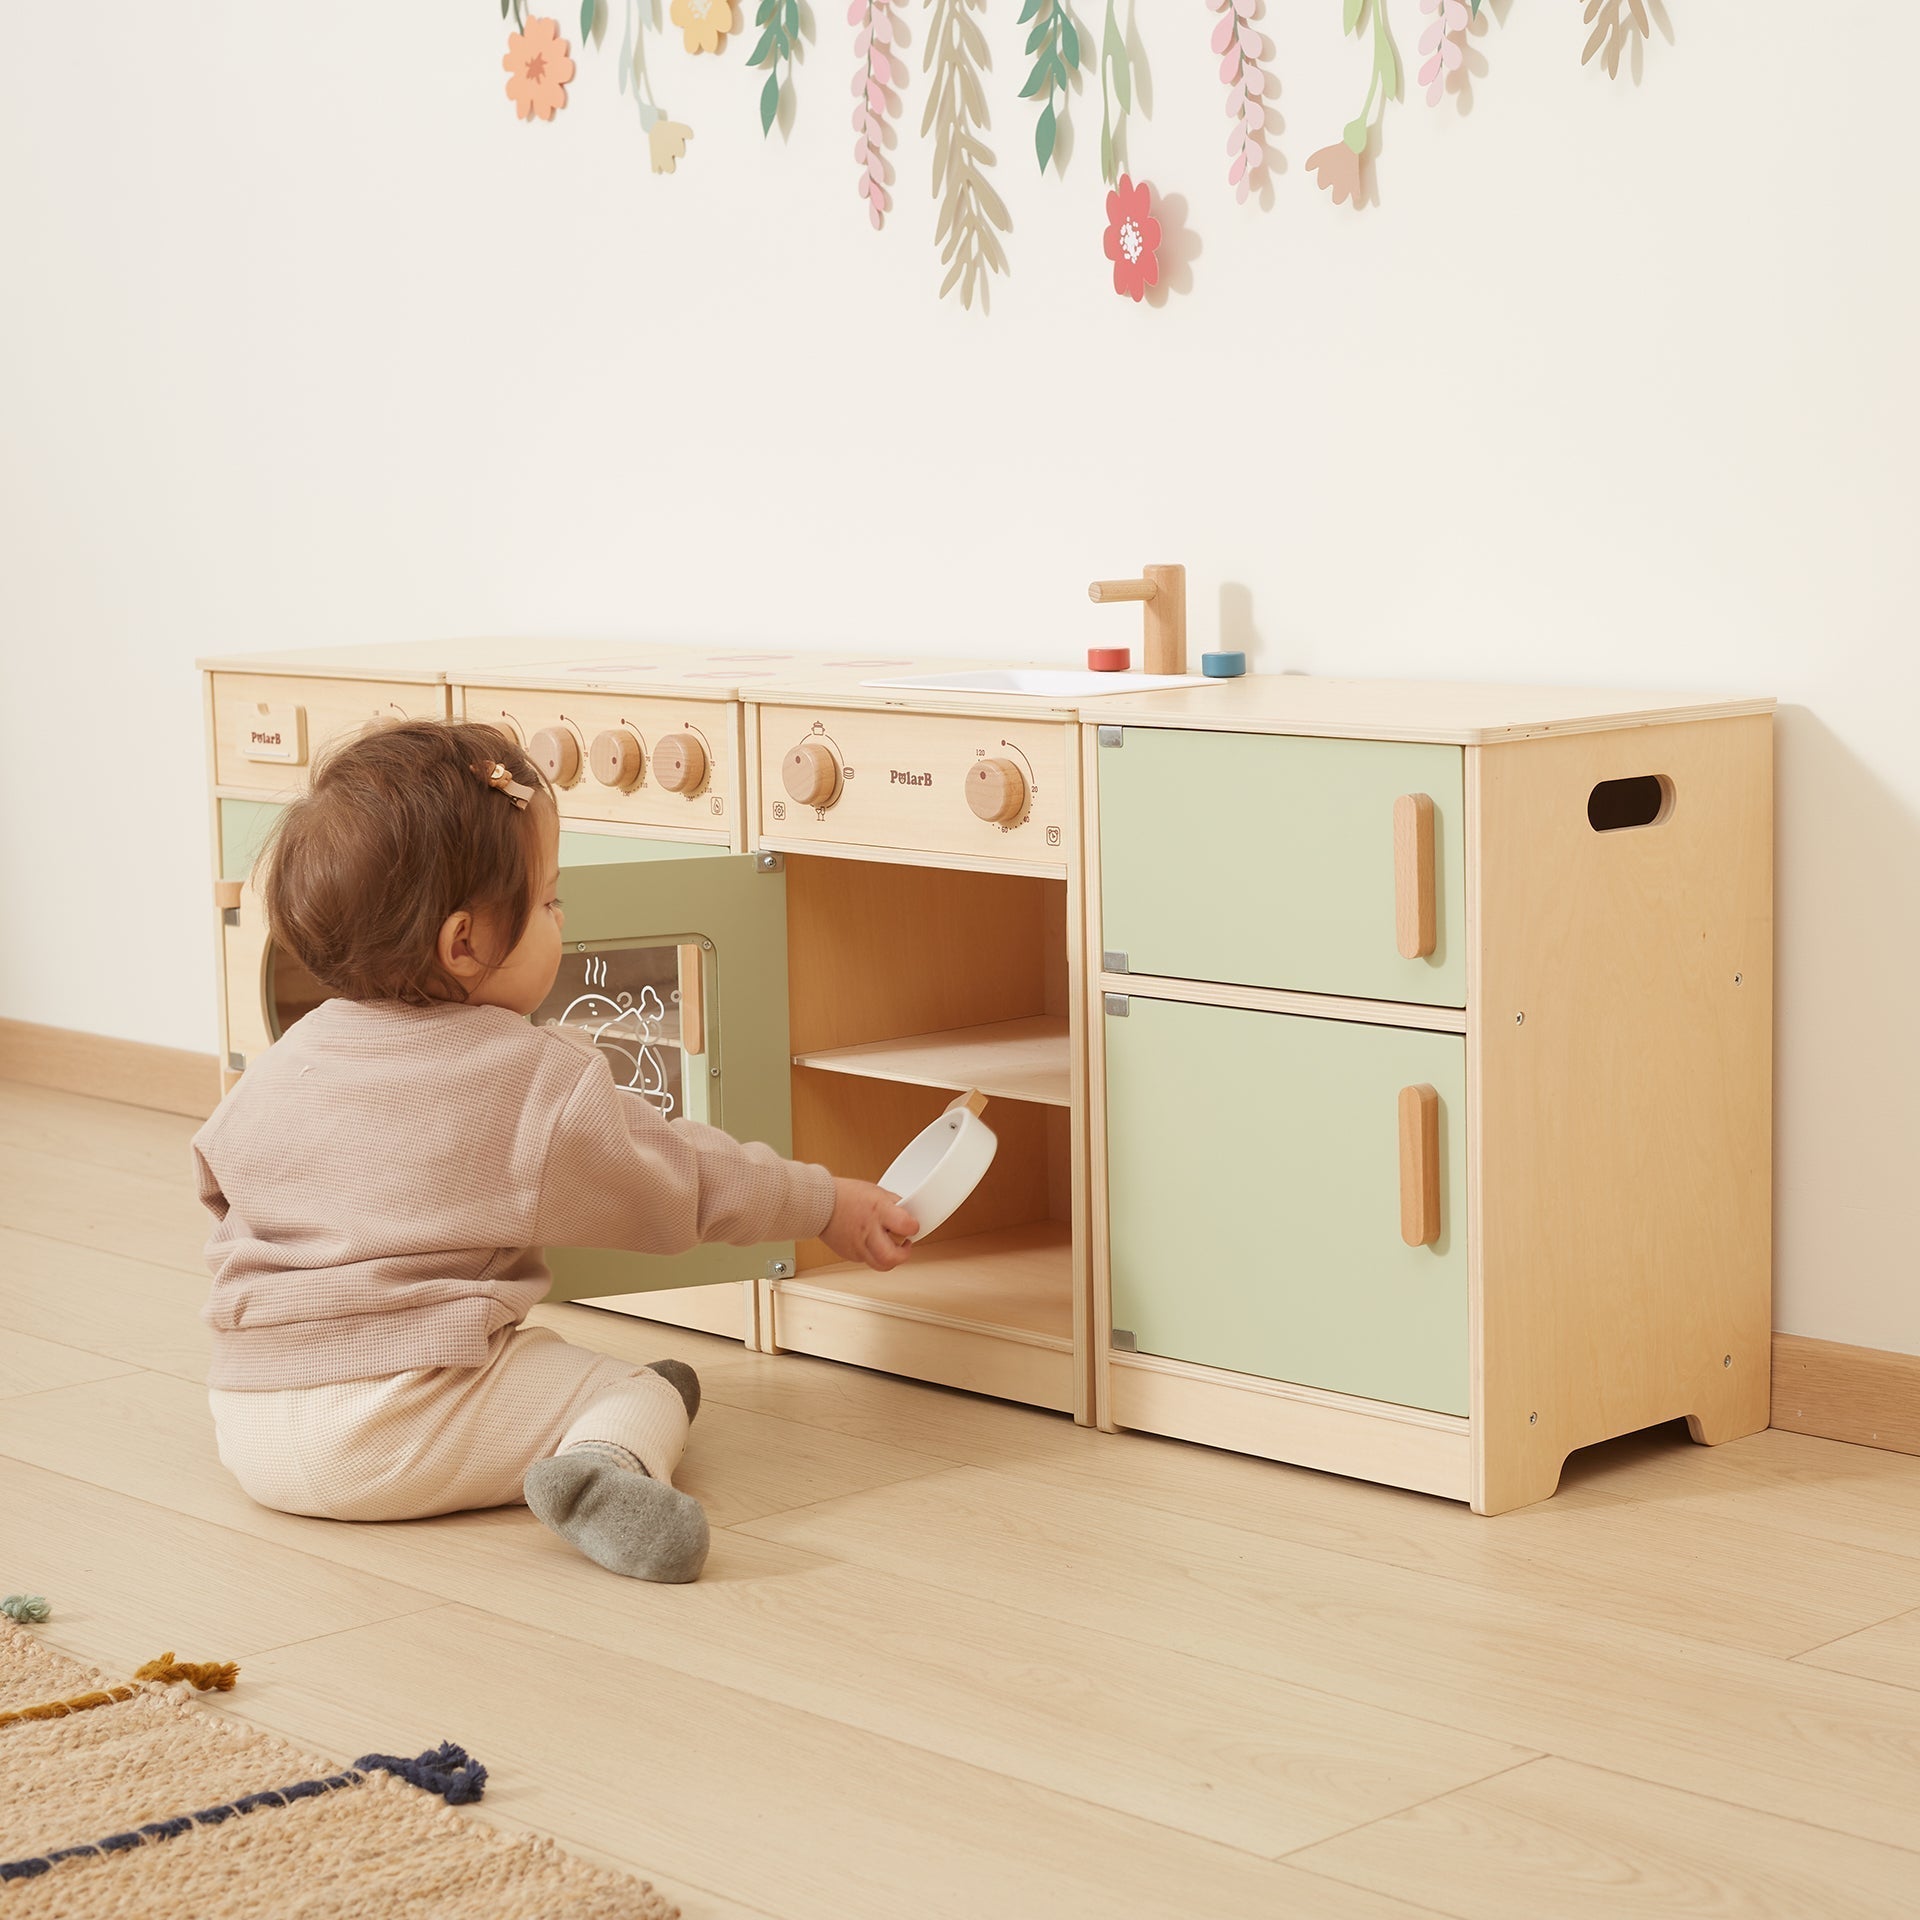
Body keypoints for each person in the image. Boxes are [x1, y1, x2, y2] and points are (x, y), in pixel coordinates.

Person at [193, 719, 917, 1582]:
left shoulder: (275, 1069)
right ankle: (603, 1468)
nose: (561, 918)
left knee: (535, 1363)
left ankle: (580, 1429)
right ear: (464, 945)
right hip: (393, 1428)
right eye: (546, 902)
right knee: (637, 1389)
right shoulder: (531, 1076)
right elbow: (684, 1179)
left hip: (248, 1418)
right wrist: (822, 1201)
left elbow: (219, 1190)